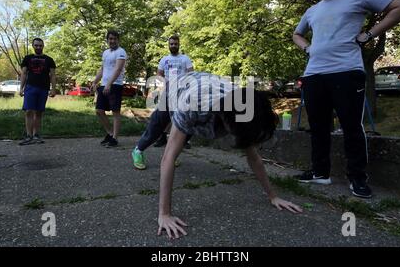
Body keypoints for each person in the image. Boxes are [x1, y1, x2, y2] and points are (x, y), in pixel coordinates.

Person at [292, 0, 400, 198]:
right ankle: (320, 173)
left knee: (351, 127)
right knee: (318, 127)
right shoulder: (312, 10)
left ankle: (357, 178)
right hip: (314, 74)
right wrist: (307, 47)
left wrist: (369, 35)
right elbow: (297, 34)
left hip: (347, 71)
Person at [156, 72, 302, 239]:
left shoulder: (243, 107)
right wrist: (164, 214)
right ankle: (141, 146)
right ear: (227, 123)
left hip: (209, 88)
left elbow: (254, 158)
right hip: (179, 89)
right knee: (156, 128)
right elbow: (168, 158)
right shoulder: (192, 105)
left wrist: (273, 196)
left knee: (186, 131)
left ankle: (180, 130)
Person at [131, 35, 193, 170]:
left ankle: (171, 155)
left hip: (182, 95)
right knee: (157, 124)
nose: (173, 46)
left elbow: (191, 75)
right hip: (168, 94)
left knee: (184, 127)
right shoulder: (164, 60)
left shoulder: (185, 59)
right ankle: (138, 150)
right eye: (171, 44)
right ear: (168, 45)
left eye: (175, 43)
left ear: (179, 44)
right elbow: (159, 76)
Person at [91, 31, 127, 147]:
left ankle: (115, 138)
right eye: (110, 39)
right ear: (107, 40)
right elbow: (102, 69)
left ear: (118, 40)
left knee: (115, 112)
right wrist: (95, 81)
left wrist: (109, 84)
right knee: (99, 110)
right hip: (104, 85)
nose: (112, 41)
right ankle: (110, 133)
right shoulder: (105, 52)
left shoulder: (121, 52)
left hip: (115, 85)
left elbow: (118, 69)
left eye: (114, 39)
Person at [19, 38, 56, 145]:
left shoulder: (49, 60)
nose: (38, 47)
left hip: (43, 88)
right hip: (30, 88)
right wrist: (21, 88)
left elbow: (53, 75)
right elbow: (24, 74)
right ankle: (28, 136)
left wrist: (53, 89)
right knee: (28, 111)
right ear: (33, 46)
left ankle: (36, 135)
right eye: (36, 45)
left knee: (39, 112)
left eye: (40, 45)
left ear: (43, 46)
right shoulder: (27, 58)